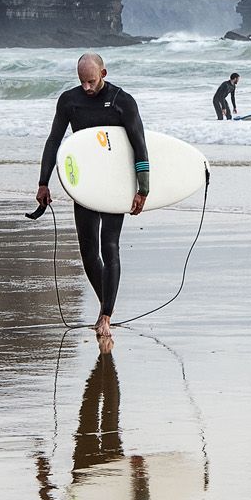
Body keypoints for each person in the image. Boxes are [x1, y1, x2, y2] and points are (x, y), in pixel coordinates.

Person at [36, 54, 148, 337]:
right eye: (82, 81)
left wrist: (143, 189)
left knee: (109, 246)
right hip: (85, 183)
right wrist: (43, 182)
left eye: (91, 81)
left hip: (115, 183)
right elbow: (54, 140)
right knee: (88, 252)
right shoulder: (69, 101)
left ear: (104, 74)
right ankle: (105, 304)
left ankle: (106, 316)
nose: (86, 87)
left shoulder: (123, 101)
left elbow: (140, 146)